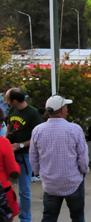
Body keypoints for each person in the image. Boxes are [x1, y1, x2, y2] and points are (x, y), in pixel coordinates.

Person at [30, 95, 88, 222]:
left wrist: (38, 173)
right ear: (62, 110)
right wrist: (84, 171)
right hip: (73, 180)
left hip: (50, 183)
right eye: (65, 107)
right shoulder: (74, 129)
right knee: (77, 217)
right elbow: (82, 157)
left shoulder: (38, 130)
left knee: (49, 217)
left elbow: (33, 157)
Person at [5, 88, 42, 222]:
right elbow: (9, 127)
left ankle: (25, 218)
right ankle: (6, 215)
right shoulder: (12, 110)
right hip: (10, 152)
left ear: (14, 100)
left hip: (25, 155)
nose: (6, 101)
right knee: (4, 185)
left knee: (24, 189)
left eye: (8, 99)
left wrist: (20, 145)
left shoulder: (33, 113)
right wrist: (5, 142)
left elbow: (38, 137)